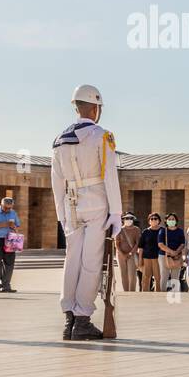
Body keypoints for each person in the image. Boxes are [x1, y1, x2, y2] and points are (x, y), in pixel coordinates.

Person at [49, 84, 124, 339]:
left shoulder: (59, 140)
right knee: (91, 263)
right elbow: (110, 176)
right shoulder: (102, 136)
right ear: (94, 108)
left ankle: (68, 317)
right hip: (96, 204)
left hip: (70, 206)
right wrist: (116, 213)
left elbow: (56, 182)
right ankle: (82, 319)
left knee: (72, 261)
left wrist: (61, 214)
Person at [159, 212, 186, 293]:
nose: (171, 221)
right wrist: (171, 252)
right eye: (169, 219)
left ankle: (174, 294)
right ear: (166, 221)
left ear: (176, 221)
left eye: (173, 219)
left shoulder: (180, 231)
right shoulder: (163, 231)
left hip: (177, 256)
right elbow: (160, 244)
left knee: (175, 276)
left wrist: (176, 252)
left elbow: (182, 243)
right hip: (164, 255)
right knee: (164, 276)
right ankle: (163, 293)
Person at [115, 212, 141, 292]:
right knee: (123, 273)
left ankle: (132, 291)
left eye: (130, 218)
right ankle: (125, 291)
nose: (128, 220)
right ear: (123, 220)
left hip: (131, 254)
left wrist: (130, 253)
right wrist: (122, 254)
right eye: (126, 218)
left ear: (133, 220)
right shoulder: (119, 229)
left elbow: (137, 243)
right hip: (121, 254)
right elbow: (117, 243)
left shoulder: (136, 230)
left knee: (132, 274)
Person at [137, 214, 162, 291]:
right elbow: (141, 247)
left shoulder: (163, 231)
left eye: (155, 218)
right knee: (146, 277)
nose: (153, 220)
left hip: (158, 257)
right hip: (147, 257)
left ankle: (158, 295)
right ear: (149, 221)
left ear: (159, 220)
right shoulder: (146, 231)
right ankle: (145, 294)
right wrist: (140, 259)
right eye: (152, 219)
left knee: (158, 277)